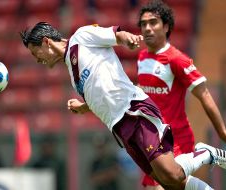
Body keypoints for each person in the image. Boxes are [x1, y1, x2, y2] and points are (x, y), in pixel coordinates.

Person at [20, 21, 226, 189]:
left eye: (34, 52)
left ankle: (206, 153)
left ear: (46, 42)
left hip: (133, 111)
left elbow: (115, 34)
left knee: (171, 173)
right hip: (120, 129)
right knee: (170, 182)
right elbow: (100, 96)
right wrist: (83, 107)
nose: (36, 59)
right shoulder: (72, 74)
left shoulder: (81, 37)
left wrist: (128, 39)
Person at [135, 0, 226, 189]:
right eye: (143, 24)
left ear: (166, 26)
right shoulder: (142, 57)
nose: (147, 28)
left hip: (176, 139)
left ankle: (207, 154)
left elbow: (205, 95)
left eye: (153, 23)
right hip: (152, 141)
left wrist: (223, 133)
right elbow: (139, 89)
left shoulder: (177, 59)